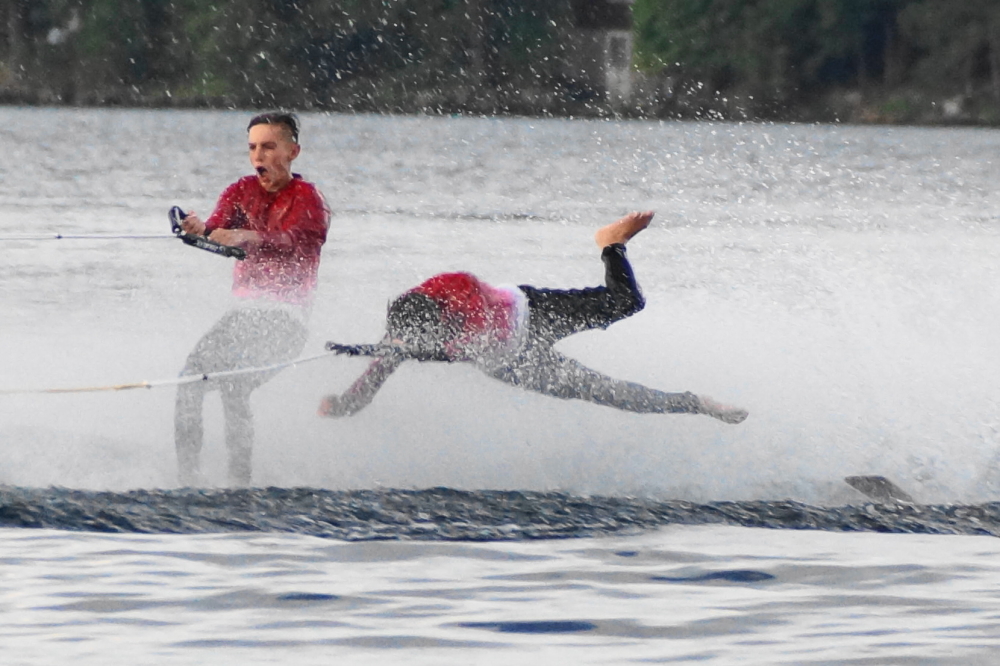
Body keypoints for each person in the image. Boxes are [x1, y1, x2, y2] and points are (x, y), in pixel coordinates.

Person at [317, 211, 747, 425]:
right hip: (514, 363)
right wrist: (344, 405)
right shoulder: (407, 330)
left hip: (533, 313)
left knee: (628, 303)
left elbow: (455, 341)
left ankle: (610, 243)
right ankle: (695, 403)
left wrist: (420, 351)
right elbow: (378, 374)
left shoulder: (456, 288)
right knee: (611, 395)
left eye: (436, 334)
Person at [175, 112, 330, 486]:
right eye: (253, 148)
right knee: (188, 383)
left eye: (268, 147)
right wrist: (199, 230)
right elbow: (217, 232)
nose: (258, 155)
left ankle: (238, 481)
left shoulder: (309, 200)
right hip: (242, 316)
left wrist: (249, 237)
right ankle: (186, 482)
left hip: (287, 321)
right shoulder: (240, 191)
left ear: (293, 151)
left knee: (234, 385)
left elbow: (294, 243)